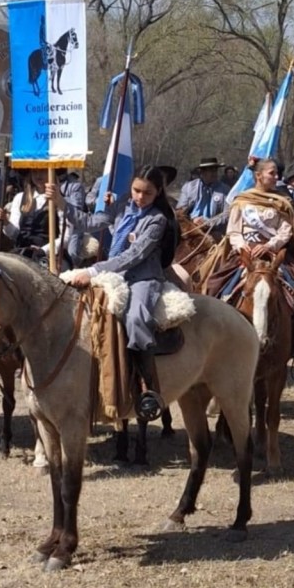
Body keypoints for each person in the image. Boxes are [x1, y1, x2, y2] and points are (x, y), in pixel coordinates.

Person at [48, 166, 179, 422]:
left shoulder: (158, 220)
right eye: (136, 190)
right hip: (114, 274)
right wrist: (62, 203)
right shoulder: (121, 207)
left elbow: (134, 255)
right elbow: (90, 222)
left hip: (142, 277)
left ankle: (147, 387)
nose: (140, 197)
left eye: (148, 193)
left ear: (158, 192)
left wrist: (93, 270)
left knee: (135, 318)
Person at [197, 158, 294, 361]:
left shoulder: (283, 201)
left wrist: (269, 245)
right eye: (272, 173)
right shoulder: (242, 200)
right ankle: (211, 339)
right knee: (213, 286)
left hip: (274, 255)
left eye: (277, 173)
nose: (276, 177)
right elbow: (233, 230)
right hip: (245, 254)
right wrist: (243, 246)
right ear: (258, 175)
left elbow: (286, 230)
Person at [0, 167, 65, 262]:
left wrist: (43, 250)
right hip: (21, 252)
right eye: (35, 171)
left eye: (43, 171)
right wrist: (5, 221)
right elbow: (15, 234)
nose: (38, 175)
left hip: (49, 256)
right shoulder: (20, 198)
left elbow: (65, 237)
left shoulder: (61, 201)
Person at [176, 157, 231, 240]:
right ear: (202, 172)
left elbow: (227, 215)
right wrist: (192, 220)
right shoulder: (188, 187)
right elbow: (180, 211)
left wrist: (208, 223)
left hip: (214, 231)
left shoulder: (225, 190)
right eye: (210, 170)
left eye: (215, 170)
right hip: (190, 228)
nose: (214, 173)